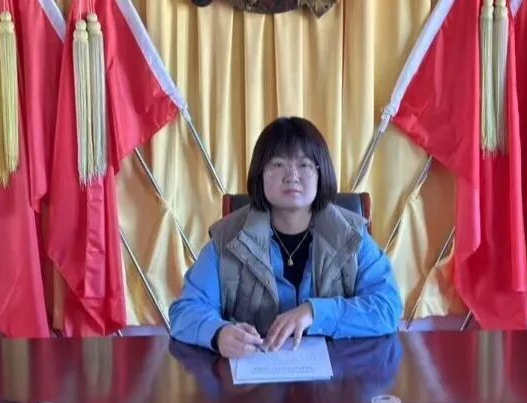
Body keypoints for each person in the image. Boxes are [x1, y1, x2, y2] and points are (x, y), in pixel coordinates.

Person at [169, 116, 402, 358]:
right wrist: (218, 333)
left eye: (304, 165)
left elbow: (388, 308)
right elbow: (185, 311)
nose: (292, 175)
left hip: (337, 375)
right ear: (260, 173)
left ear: (321, 173)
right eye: (278, 164)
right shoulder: (228, 239)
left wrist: (315, 313)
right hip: (253, 373)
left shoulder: (350, 235)